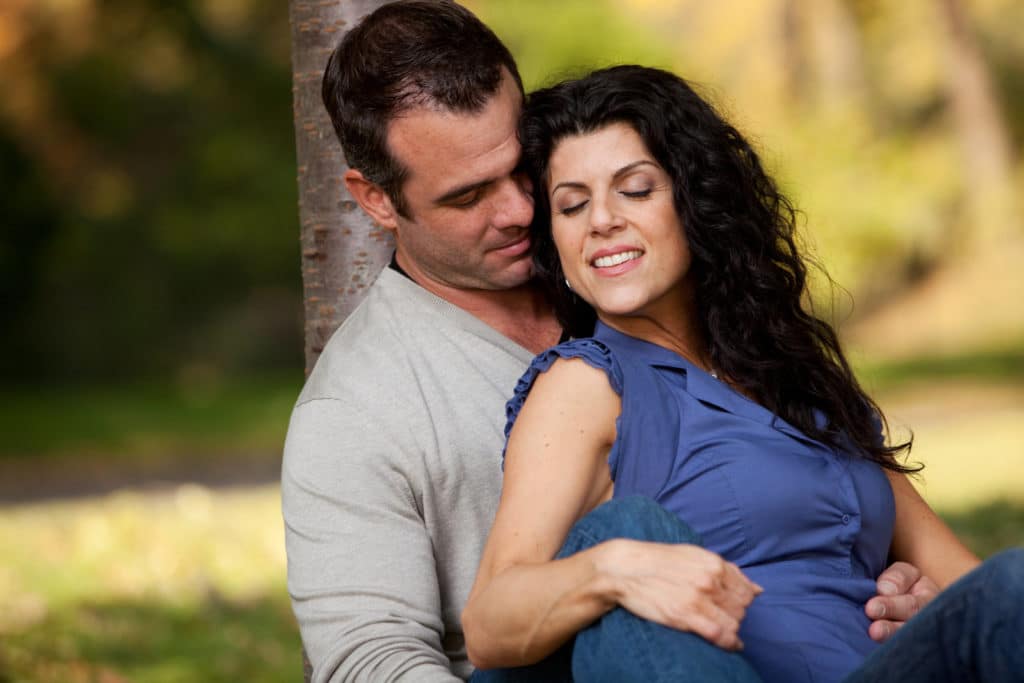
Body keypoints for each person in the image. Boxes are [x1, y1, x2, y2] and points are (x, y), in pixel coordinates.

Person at [282, 2, 948, 681]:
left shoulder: (639, 289)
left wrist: (909, 601)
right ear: (376, 200)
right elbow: (369, 660)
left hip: (746, 649)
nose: (519, 210)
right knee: (624, 532)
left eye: (522, 169)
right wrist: (606, 573)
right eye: (468, 196)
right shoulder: (354, 410)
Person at [462, 64, 1024, 683]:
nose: (601, 220)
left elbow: (970, 586)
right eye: (572, 205)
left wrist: (929, 609)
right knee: (626, 532)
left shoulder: (795, 375)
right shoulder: (587, 386)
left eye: (636, 189)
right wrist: (613, 569)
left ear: (697, 203)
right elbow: (489, 625)